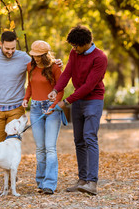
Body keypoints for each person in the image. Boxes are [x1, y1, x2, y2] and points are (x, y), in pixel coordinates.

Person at [48, 25, 108, 195]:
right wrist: (56, 90)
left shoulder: (100, 57)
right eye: (72, 46)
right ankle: (82, 180)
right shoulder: (75, 53)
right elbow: (67, 73)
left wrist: (66, 101)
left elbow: (89, 86)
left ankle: (92, 182)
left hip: (93, 100)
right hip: (78, 100)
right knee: (79, 140)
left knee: (90, 137)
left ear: (86, 43)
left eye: (76, 46)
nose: (73, 49)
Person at [0, 31, 63, 144]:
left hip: (16, 108)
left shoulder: (24, 58)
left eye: (13, 48)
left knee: (13, 144)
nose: (10, 52)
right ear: (0, 44)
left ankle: (13, 163)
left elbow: (41, 65)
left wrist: (56, 64)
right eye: (7, 48)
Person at [22, 40, 64, 195]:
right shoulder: (30, 66)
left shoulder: (54, 67)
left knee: (50, 148)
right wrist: (26, 98)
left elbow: (60, 91)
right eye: (34, 55)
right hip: (35, 109)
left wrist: (52, 107)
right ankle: (40, 182)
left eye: (39, 56)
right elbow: (30, 86)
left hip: (52, 109)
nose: (36, 58)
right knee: (40, 148)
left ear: (46, 55)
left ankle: (50, 184)